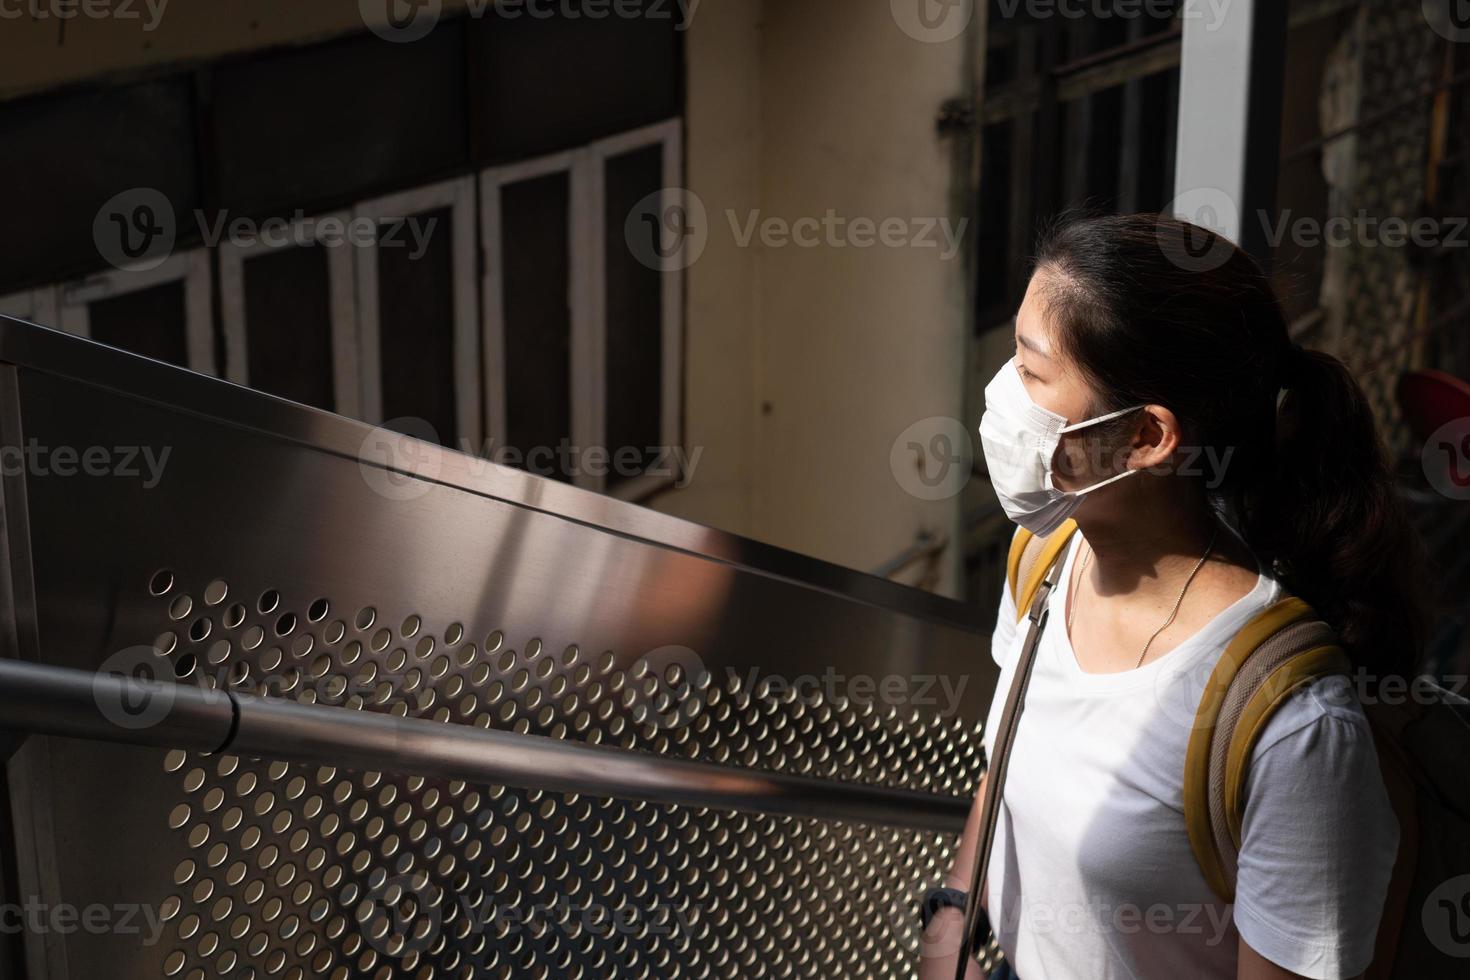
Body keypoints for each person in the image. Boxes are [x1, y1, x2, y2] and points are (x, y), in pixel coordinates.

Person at [920, 213, 1422, 980]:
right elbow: (1011, 759)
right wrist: (952, 918)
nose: (1001, 397)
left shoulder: (1292, 728)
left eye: (1030, 372)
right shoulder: (1047, 558)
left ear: (1146, 437)